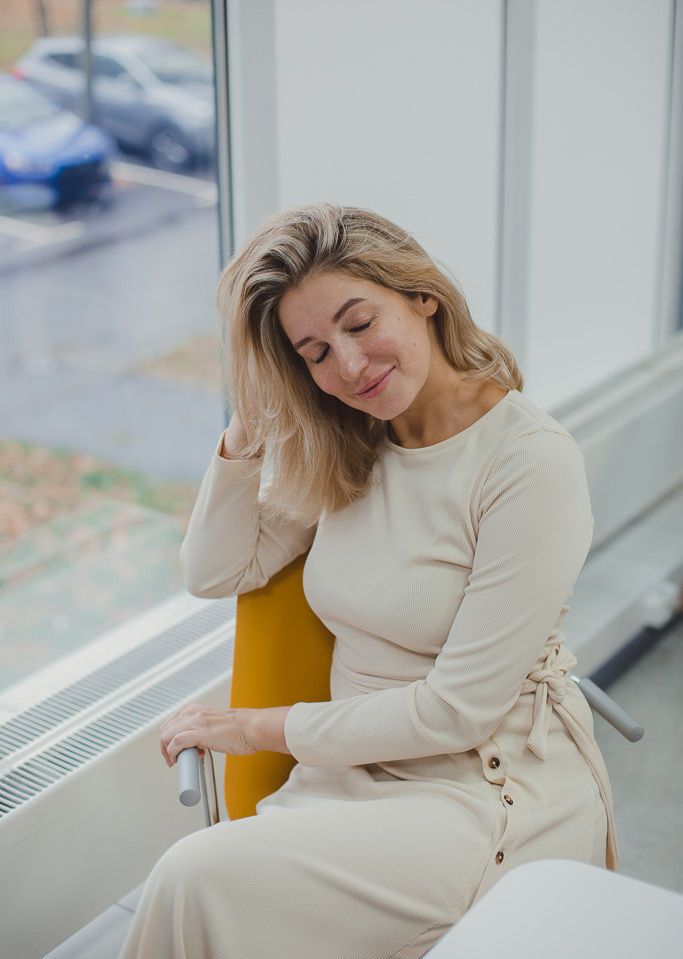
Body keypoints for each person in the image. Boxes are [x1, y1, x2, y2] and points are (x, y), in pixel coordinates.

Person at [119, 204, 617, 959]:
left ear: (422, 297)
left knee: (193, 877)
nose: (347, 367)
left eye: (359, 324)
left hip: (479, 788)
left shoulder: (527, 462)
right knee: (211, 893)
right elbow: (215, 571)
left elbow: (454, 713)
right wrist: (249, 427)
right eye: (314, 352)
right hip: (349, 775)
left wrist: (252, 727)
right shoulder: (350, 443)